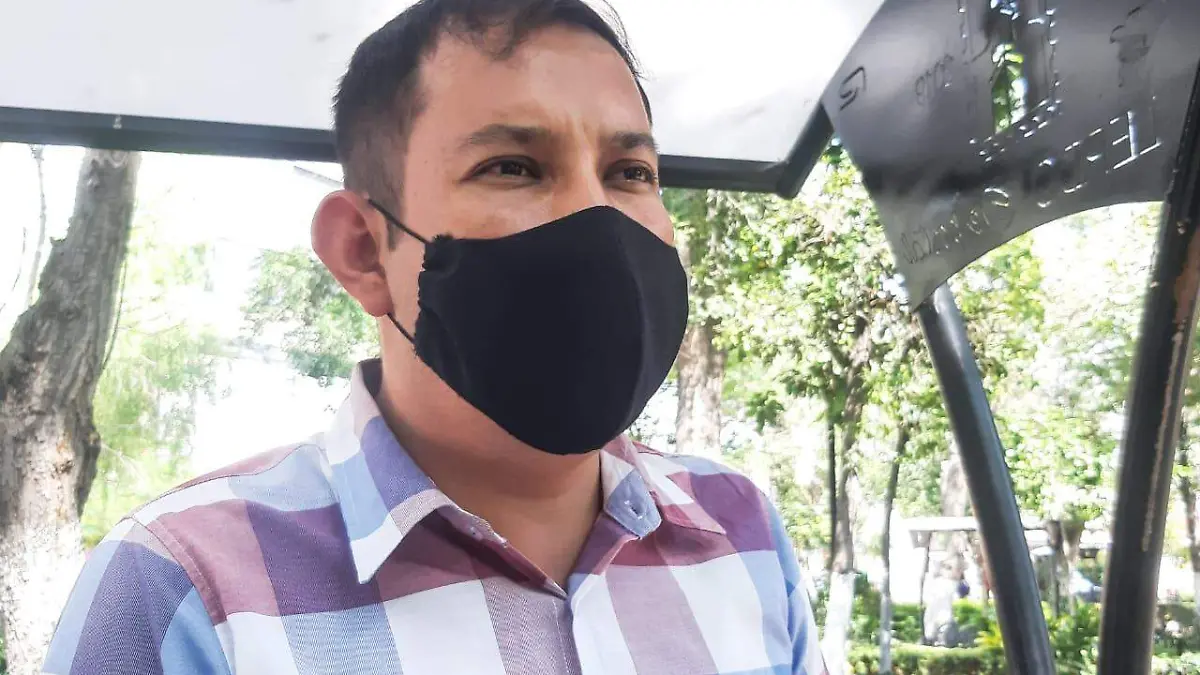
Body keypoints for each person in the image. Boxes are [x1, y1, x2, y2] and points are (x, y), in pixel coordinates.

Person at [43, 1, 825, 673]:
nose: (599, 218)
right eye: (514, 167)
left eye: (630, 172)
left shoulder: (742, 534)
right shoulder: (184, 587)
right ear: (362, 251)